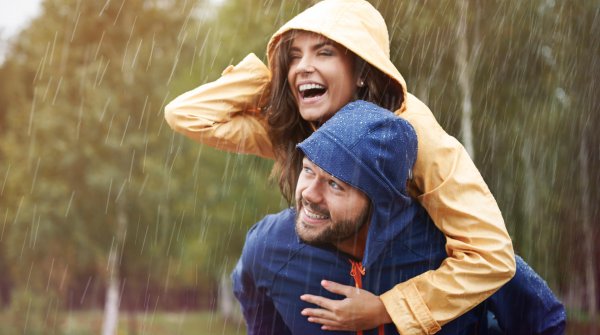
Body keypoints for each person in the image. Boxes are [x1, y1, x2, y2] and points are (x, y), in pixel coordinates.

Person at [165, 0, 516, 333]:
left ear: (362, 70)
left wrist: (386, 308)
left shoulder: (417, 135)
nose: (303, 65)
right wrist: (278, 79)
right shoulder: (302, 128)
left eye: (324, 52)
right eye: (295, 55)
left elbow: (491, 257)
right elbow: (189, 115)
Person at [231, 100, 566, 335]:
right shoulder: (269, 247)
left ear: (381, 200)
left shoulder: (453, 252)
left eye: (335, 183)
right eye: (308, 170)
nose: (309, 194)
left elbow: (543, 319)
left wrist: (391, 310)